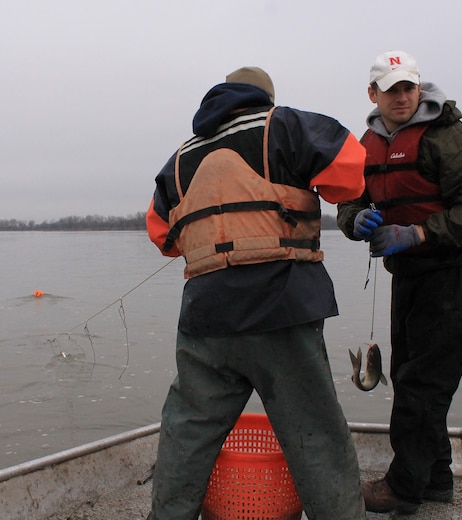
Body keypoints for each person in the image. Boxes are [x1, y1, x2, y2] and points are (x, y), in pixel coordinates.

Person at [144, 66, 367, 520]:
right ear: (265, 96)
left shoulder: (180, 157)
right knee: (316, 435)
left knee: (187, 434)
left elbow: (163, 236)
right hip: (282, 311)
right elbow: (349, 175)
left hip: (205, 319)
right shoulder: (286, 125)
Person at [337, 50, 462, 514]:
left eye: (408, 87)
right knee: (409, 375)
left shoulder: (451, 138)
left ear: (418, 88)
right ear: (374, 94)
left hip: (453, 272)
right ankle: (436, 480)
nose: (402, 96)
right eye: (391, 89)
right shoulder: (365, 144)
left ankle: (404, 487)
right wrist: (356, 219)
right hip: (406, 273)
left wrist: (419, 232)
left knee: (423, 384)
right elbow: (348, 203)